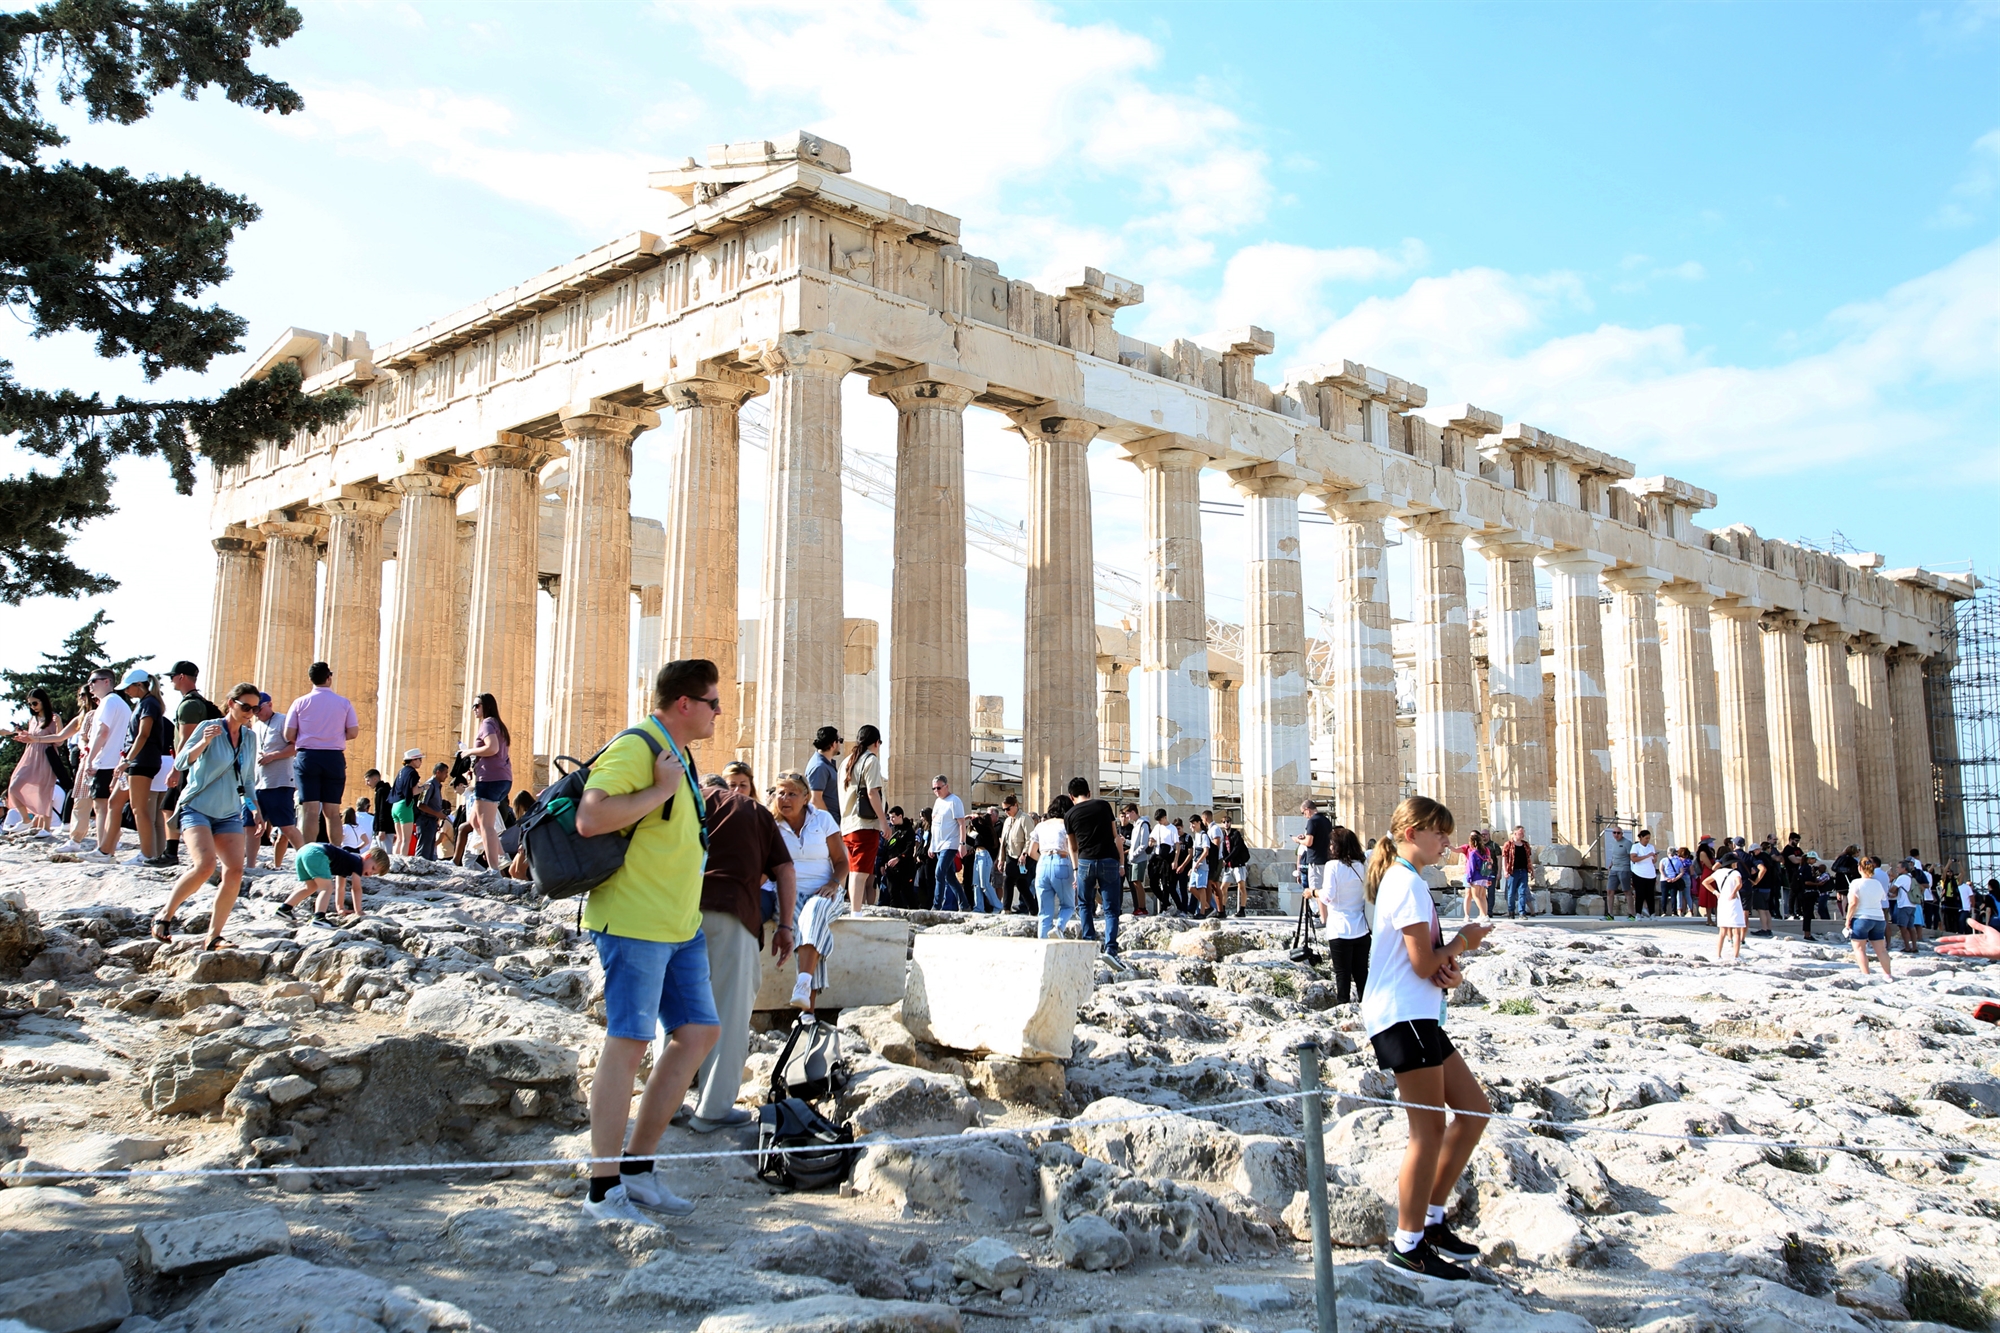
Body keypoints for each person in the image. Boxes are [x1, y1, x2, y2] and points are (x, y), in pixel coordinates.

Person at [571, 658, 723, 1226]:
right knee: (628, 1042)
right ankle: (602, 1190)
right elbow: (591, 818)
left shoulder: (678, 753)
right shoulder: (639, 746)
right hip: (635, 921)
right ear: (684, 703)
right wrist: (660, 790)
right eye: (712, 702)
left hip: (679, 925)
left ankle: (638, 1170)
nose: (717, 713)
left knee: (699, 1033)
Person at [1361, 795, 1493, 1281]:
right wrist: (1465, 942)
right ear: (1413, 832)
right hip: (1401, 1017)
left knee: (1475, 1109)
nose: (1448, 844)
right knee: (1428, 1131)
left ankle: (1433, 1222)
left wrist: (1449, 971)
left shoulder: (1406, 880)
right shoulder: (1406, 883)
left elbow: (1422, 962)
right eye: (1441, 833)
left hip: (1418, 1013)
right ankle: (1408, 1245)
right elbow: (1420, 962)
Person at [689, 767, 795, 1133]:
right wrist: (785, 926)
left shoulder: (684, 799)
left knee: (670, 1007)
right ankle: (713, 1108)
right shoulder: (753, 812)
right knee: (730, 1011)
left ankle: (667, 1103)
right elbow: (784, 869)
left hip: (675, 913)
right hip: (733, 913)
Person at [149, 682, 262, 949]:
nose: (250, 713)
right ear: (231, 703)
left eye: (255, 708)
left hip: (229, 812)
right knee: (205, 865)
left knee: (234, 870)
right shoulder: (208, 726)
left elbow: (247, 779)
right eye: (246, 706)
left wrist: (255, 809)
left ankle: (214, 936)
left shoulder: (250, 737)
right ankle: (164, 916)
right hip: (197, 807)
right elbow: (181, 762)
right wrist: (204, 741)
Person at [771, 771, 847, 1012]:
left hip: (826, 890)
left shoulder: (823, 820)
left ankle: (803, 986)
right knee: (803, 924)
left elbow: (841, 861)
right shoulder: (770, 825)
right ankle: (807, 1010)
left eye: (792, 793)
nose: (785, 798)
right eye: (780, 793)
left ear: (805, 797)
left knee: (813, 911)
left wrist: (834, 883)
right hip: (786, 892)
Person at [283, 662, 359, 846]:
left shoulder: (300, 702)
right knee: (333, 812)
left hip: (308, 756)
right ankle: (336, 853)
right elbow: (353, 732)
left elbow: (288, 734)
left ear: (311, 679)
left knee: (309, 811)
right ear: (329, 677)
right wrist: (334, 736)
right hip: (333, 757)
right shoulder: (343, 703)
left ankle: (308, 855)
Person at [113, 668, 171, 866]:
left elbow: (143, 734)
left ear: (139, 685)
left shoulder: (148, 704)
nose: (126, 691)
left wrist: (128, 759)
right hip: (142, 759)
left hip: (142, 760)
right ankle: (147, 852)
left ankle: (146, 854)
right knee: (137, 807)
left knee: (139, 809)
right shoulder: (147, 703)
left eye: (129, 687)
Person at [1063, 777, 1125, 959]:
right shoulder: (1104, 806)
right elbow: (1115, 836)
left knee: (1084, 904)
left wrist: (1075, 870)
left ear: (1071, 796)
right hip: (1108, 859)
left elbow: (1072, 847)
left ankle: (1089, 942)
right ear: (1089, 793)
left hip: (1085, 862)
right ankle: (1111, 948)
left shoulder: (1069, 815)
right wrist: (1121, 862)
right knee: (1111, 908)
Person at [76, 670, 131, 862]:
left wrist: (90, 759)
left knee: (102, 808)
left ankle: (103, 849)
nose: (90, 685)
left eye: (93, 681)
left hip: (106, 761)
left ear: (107, 682)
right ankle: (108, 848)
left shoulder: (108, 702)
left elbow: (103, 732)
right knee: (111, 807)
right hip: (117, 761)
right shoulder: (121, 704)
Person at [248, 692, 303, 872]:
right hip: (257, 783)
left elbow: (296, 746)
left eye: (259, 708)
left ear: (269, 704)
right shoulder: (255, 726)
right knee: (251, 825)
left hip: (280, 782)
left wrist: (273, 756)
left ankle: (308, 861)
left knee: (287, 827)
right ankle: (250, 866)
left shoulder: (284, 721)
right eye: (253, 709)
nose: (256, 712)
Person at [275, 840, 390, 924]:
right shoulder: (358, 863)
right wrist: (359, 911)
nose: (370, 874)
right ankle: (319, 918)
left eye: (374, 874)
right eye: (373, 868)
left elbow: (341, 887)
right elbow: (356, 888)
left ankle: (284, 909)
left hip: (304, 851)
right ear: (367, 856)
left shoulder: (347, 861)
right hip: (317, 854)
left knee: (311, 887)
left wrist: (340, 908)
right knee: (327, 888)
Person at [462, 693, 513, 877]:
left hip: (490, 780)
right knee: (475, 821)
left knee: (486, 825)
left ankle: (494, 869)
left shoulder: (488, 723)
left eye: (477, 705)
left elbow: (492, 748)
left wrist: (468, 752)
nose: (474, 709)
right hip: (501, 778)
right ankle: (501, 856)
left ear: (486, 706)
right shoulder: (499, 725)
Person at [838, 724, 885, 908]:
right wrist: (883, 821)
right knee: (861, 873)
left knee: (853, 871)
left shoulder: (845, 762)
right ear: (876, 742)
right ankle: (856, 913)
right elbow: (873, 793)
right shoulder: (870, 760)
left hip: (847, 824)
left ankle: (852, 910)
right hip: (864, 823)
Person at [1324, 825, 1371, 1005]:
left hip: (1339, 928)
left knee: (1342, 973)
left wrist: (1312, 893)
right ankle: (1366, 1007)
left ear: (1339, 846)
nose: (1330, 847)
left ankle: (1343, 1007)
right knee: (1361, 972)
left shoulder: (1332, 866)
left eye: (1332, 844)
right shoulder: (1362, 866)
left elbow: (1328, 896)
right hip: (1361, 927)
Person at [8, 688, 63, 834]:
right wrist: (22, 735)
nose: (32, 706)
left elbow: (59, 742)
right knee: (14, 785)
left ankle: (46, 828)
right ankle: (26, 819)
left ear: (43, 701)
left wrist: (58, 724)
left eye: (34, 703)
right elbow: (32, 737)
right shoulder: (33, 719)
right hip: (31, 755)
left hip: (46, 756)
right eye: (30, 704)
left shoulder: (54, 718)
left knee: (43, 791)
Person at [1029, 796, 1078, 939]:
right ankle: (1059, 928)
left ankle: (1042, 945)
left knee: (1044, 913)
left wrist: (1045, 860)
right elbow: (1073, 848)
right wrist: (1076, 869)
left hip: (1042, 862)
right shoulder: (1066, 824)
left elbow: (1032, 852)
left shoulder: (1040, 826)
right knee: (1068, 905)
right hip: (1061, 860)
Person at [1845, 855, 1893, 978]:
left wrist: (1847, 919)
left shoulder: (1856, 883)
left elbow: (1853, 903)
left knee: (1859, 949)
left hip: (1862, 918)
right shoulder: (1877, 883)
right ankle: (1888, 975)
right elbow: (1882, 898)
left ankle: (1866, 975)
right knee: (1881, 950)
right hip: (1878, 918)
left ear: (1859, 868)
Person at [929, 773, 967, 911]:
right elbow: (935, 825)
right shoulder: (938, 802)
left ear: (946, 786)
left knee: (939, 872)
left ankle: (936, 905)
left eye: (939, 788)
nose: (936, 791)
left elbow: (962, 823)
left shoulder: (954, 801)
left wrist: (962, 844)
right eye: (934, 789)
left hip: (950, 843)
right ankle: (964, 904)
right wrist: (932, 845)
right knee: (949, 877)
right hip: (938, 843)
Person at [879, 806, 920, 910]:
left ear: (900, 816)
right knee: (893, 893)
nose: (891, 819)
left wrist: (898, 858)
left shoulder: (908, 831)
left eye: (893, 817)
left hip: (906, 867)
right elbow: (886, 848)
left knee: (908, 892)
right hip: (891, 869)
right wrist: (882, 864)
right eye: (890, 817)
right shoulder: (891, 830)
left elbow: (909, 848)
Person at [1000, 795, 1035, 914]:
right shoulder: (1007, 821)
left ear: (1015, 805)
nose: (1006, 812)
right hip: (1010, 855)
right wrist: (1001, 859)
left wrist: (1024, 853)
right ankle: (1033, 908)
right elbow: (1004, 842)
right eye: (1004, 809)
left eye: (1008, 809)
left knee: (1009, 880)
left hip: (1021, 856)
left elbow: (1030, 838)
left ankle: (1006, 908)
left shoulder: (1024, 818)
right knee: (1021, 884)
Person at [1294, 799, 1333, 903]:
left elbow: (1309, 842)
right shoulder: (1326, 820)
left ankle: (1322, 917)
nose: (1304, 816)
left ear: (1307, 810)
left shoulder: (1312, 821)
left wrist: (1298, 840)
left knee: (1316, 890)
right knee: (1326, 890)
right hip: (1327, 859)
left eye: (1303, 813)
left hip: (1315, 860)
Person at [1713, 852, 1746, 963]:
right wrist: (1733, 892)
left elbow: (1705, 882)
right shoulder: (1735, 872)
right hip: (1733, 901)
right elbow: (1739, 883)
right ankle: (1736, 956)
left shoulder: (1718, 872)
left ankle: (1718, 955)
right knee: (1736, 930)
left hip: (1722, 900)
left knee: (1722, 931)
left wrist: (1715, 892)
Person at [1217, 809, 1250, 917]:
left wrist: (1226, 860)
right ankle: (1223, 910)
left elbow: (1236, 849)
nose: (1226, 823)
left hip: (1238, 865)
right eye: (1224, 822)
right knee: (1223, 887)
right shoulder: (1223, 836)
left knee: (1241, 887)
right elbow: (1224, 849)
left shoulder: (1236, 834)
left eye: (1228, 821)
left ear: (1230, 823)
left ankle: (1242, 909)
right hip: (1229, 867)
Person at [389, 749, 422, 854]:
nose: (421, 762)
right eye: (419, 759)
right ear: (413, 760)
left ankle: (394, 862)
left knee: (399, 838)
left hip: (395, 805)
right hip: (405, 806)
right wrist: (424, 787)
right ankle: (403, 863)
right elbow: (414, 791)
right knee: (406, 839)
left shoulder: (401, 771)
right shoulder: (412, 773)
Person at [1122, 804, 1152, 917]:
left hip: (1139, 858)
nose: (1127, 817)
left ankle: (1142, 907)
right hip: (1134, 858)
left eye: (1128, 814)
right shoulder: (1136, 825)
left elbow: (1143, 844)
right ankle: (1140, 907)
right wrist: (1125, 841)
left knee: (1138, 882)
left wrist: (1133, 855)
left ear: (1133, 812)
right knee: (1135, 883)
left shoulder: (1143, 824)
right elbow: (1135, 843)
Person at [804, 725, 841, 815]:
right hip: (827, 823)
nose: (840, 744)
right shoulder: (819, 767)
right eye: (840, 741)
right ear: (833, 744)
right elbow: (815, 799)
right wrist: (830, 823)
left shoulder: (826, 764)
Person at [1499, 826, 1533, 919]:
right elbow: (1504, 858)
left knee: (1522, 892)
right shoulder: (1508, 844)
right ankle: (1511, 911)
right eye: (1520, 833)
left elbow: (1529, 858)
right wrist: (1505, 870)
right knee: (1511, 892)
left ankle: (1522, 913)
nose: (1522, 835)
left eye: (1523, 833)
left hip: (1524, 871)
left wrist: (1532, 870)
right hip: (1512, 871)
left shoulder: (1525, 845)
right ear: (1515, 834)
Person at [1461, 830, 1494, 921]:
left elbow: (1471, 867)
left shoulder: (1472, 853)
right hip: (1484, 876)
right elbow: (1490, 864)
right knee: (1482, 896)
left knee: (1476, 896)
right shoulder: (1484, 852)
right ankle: (1484, 914)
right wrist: (1489, 877)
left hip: (1475, 877)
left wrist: (1469, 878)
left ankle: (1484, 915)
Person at [1601, 824, 1631, 920]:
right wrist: (1611, 864)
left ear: (1622, 834)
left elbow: (1632, 856)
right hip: (1614, 869)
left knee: (1626, 891)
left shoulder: (1627, 843)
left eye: (1618, 833)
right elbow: (1614, 855)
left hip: (1624, 869)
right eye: (1614, 832)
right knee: (1609, 890)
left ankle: (1632, 914)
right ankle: (1610, 914)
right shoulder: (1613, 843)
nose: (1616, 834)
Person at [1629, 829, 1658, 919]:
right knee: (1640, 894)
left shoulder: (1651, 847)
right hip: (1639, 873)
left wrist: (1655, 857)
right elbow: (1633, 859)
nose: (1647, 840)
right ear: (1641, 837)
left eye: (1649, 838)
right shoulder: (1635, 846)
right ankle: (1638, 913)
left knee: (1650, 894)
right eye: (1646, 838)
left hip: (1650, 873)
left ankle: (1652, 913)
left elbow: (1654, 861)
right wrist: (1646, 856)